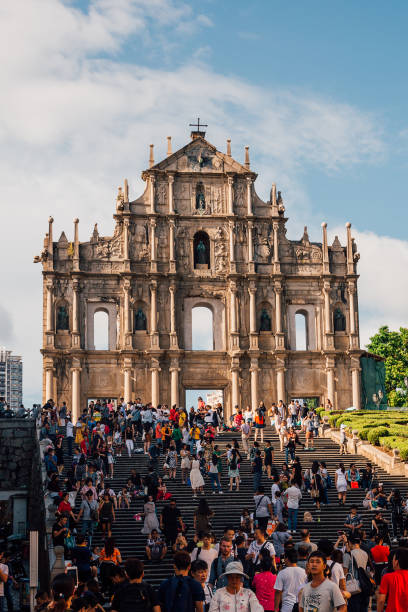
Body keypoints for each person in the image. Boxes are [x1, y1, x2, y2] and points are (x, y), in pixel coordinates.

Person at [377, 547, 408, 612]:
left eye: (393, 559)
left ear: (396, 562)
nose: (392, 561)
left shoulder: (387, 577)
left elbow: (381, 601)